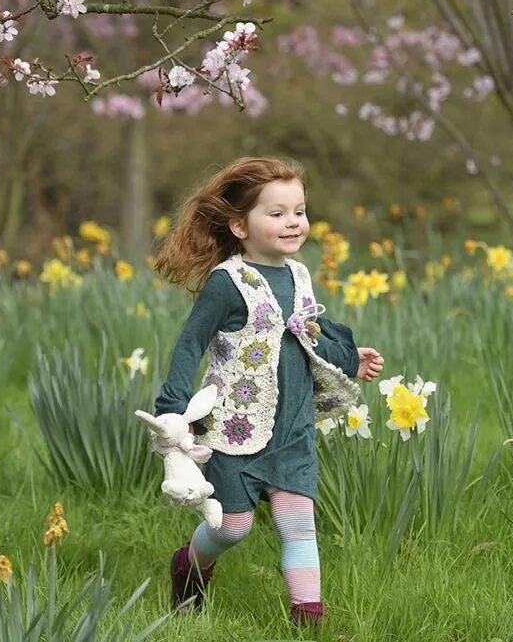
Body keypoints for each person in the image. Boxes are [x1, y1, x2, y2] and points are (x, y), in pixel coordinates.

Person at [151, 156, 384, 628]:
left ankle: (308, 621)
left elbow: (307, 334)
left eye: (298, 211)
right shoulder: (227, 283)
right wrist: (173, 412)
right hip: (235, 427)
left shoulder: (299, 275)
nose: (292, 222)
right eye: (275, 214)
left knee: (298, 522)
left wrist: (349, 357)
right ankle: (189, 565)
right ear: (239, 224)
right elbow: (189, 344)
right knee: (232, 526)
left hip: (292, 427)